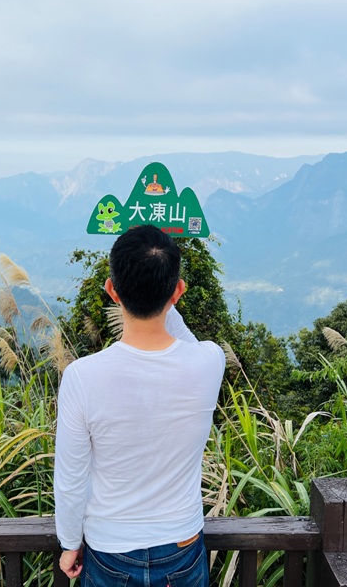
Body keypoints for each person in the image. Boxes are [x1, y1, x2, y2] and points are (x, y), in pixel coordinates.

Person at [55, 224, 225, 586]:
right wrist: (164, 292)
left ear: (111, 290)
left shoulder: (82, 376)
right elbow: (185, 342)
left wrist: (70, 543)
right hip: (182, 543)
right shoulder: (209, 362)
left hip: (109, 549)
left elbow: (70, 480)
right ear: (179, 290)